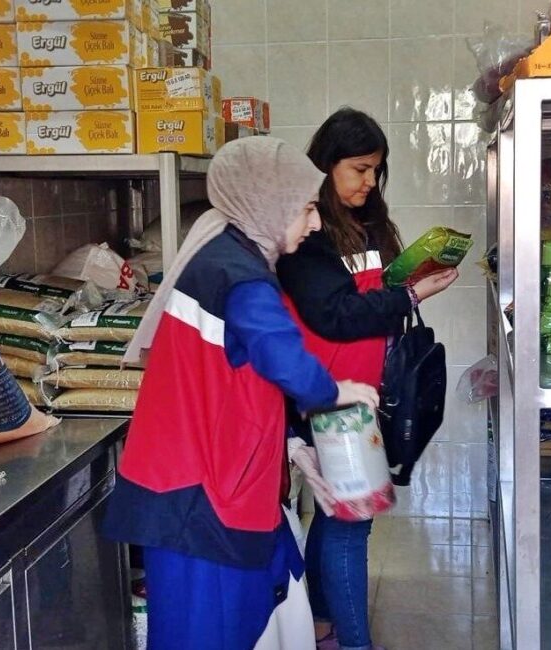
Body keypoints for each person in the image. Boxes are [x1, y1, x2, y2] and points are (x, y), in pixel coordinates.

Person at [103, 137, 378, 650]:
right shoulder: (240, 277)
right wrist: (339, 391)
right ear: (269, 205)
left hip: (209, 484)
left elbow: (237, 384)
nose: (316, 223)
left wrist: (291, 449)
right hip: (194, 501)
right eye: (308, 209)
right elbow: (283, 359)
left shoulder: (226, 258)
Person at [276, 108, 458, 650]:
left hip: (364, 395)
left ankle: (321, 621)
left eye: (376, 170)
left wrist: (413, 273)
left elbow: (373, 296)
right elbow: (333, 315)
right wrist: (410, 295)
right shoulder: (308, 235)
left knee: (335, 520)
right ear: (327, 167)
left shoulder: (369, 223)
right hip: (328, 400)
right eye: (358, 169)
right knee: (352, 526)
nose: (368, 181)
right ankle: (354, 643)